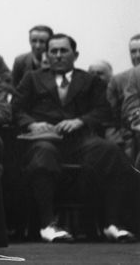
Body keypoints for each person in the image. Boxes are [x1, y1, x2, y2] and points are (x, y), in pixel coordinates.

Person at [13, 33, 137, 243]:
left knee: (110, 151)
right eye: (54, 51)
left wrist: (80, 120)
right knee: (44, 152)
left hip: (79, 140)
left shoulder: (89, 80)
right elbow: (16, 109)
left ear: (75, 54)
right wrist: (32, 123)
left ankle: (112, 223)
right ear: (47, 55)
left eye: (64, 51)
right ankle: (47, 225)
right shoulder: (32, 78)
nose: (58, 56)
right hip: (45, 139)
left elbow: (102, 111)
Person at [106, 34, 140, 162]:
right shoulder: (118, 80)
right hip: (128, 132)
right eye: (133, 51)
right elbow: (111, 114)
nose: (137, 55)